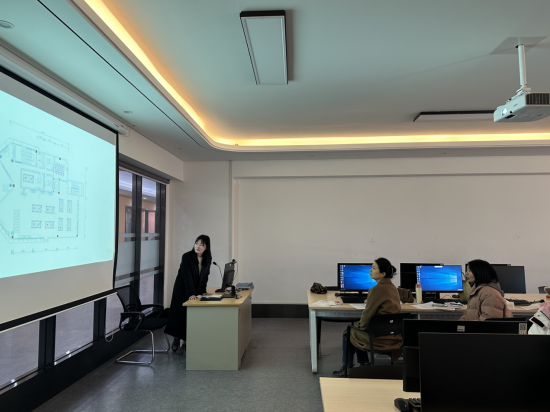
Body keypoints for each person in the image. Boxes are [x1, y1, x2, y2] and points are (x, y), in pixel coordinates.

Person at [333, 258, 402, 377]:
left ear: (383, 274)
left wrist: (359, 326)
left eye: (374, 268)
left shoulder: (376, 289)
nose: (370, 270)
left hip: (378, 338)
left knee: (349, 332)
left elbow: (367, 315)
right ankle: (364, 364)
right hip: (394, 337)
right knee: (358, 331)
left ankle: (347, 368)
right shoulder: (393, 288)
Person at [165, 235, 212, 354]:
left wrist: (203, 291)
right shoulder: (186, 257)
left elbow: (205, 276)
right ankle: (177, 338)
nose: (198, 246)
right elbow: (187, 276)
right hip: (182, 289)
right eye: (196, 243)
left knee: (191, 316)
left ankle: (186, 341)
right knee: (181, 315)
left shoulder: (207, 259)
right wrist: (191, 293)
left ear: (206, 247)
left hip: (195, 290)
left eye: (201, 244)